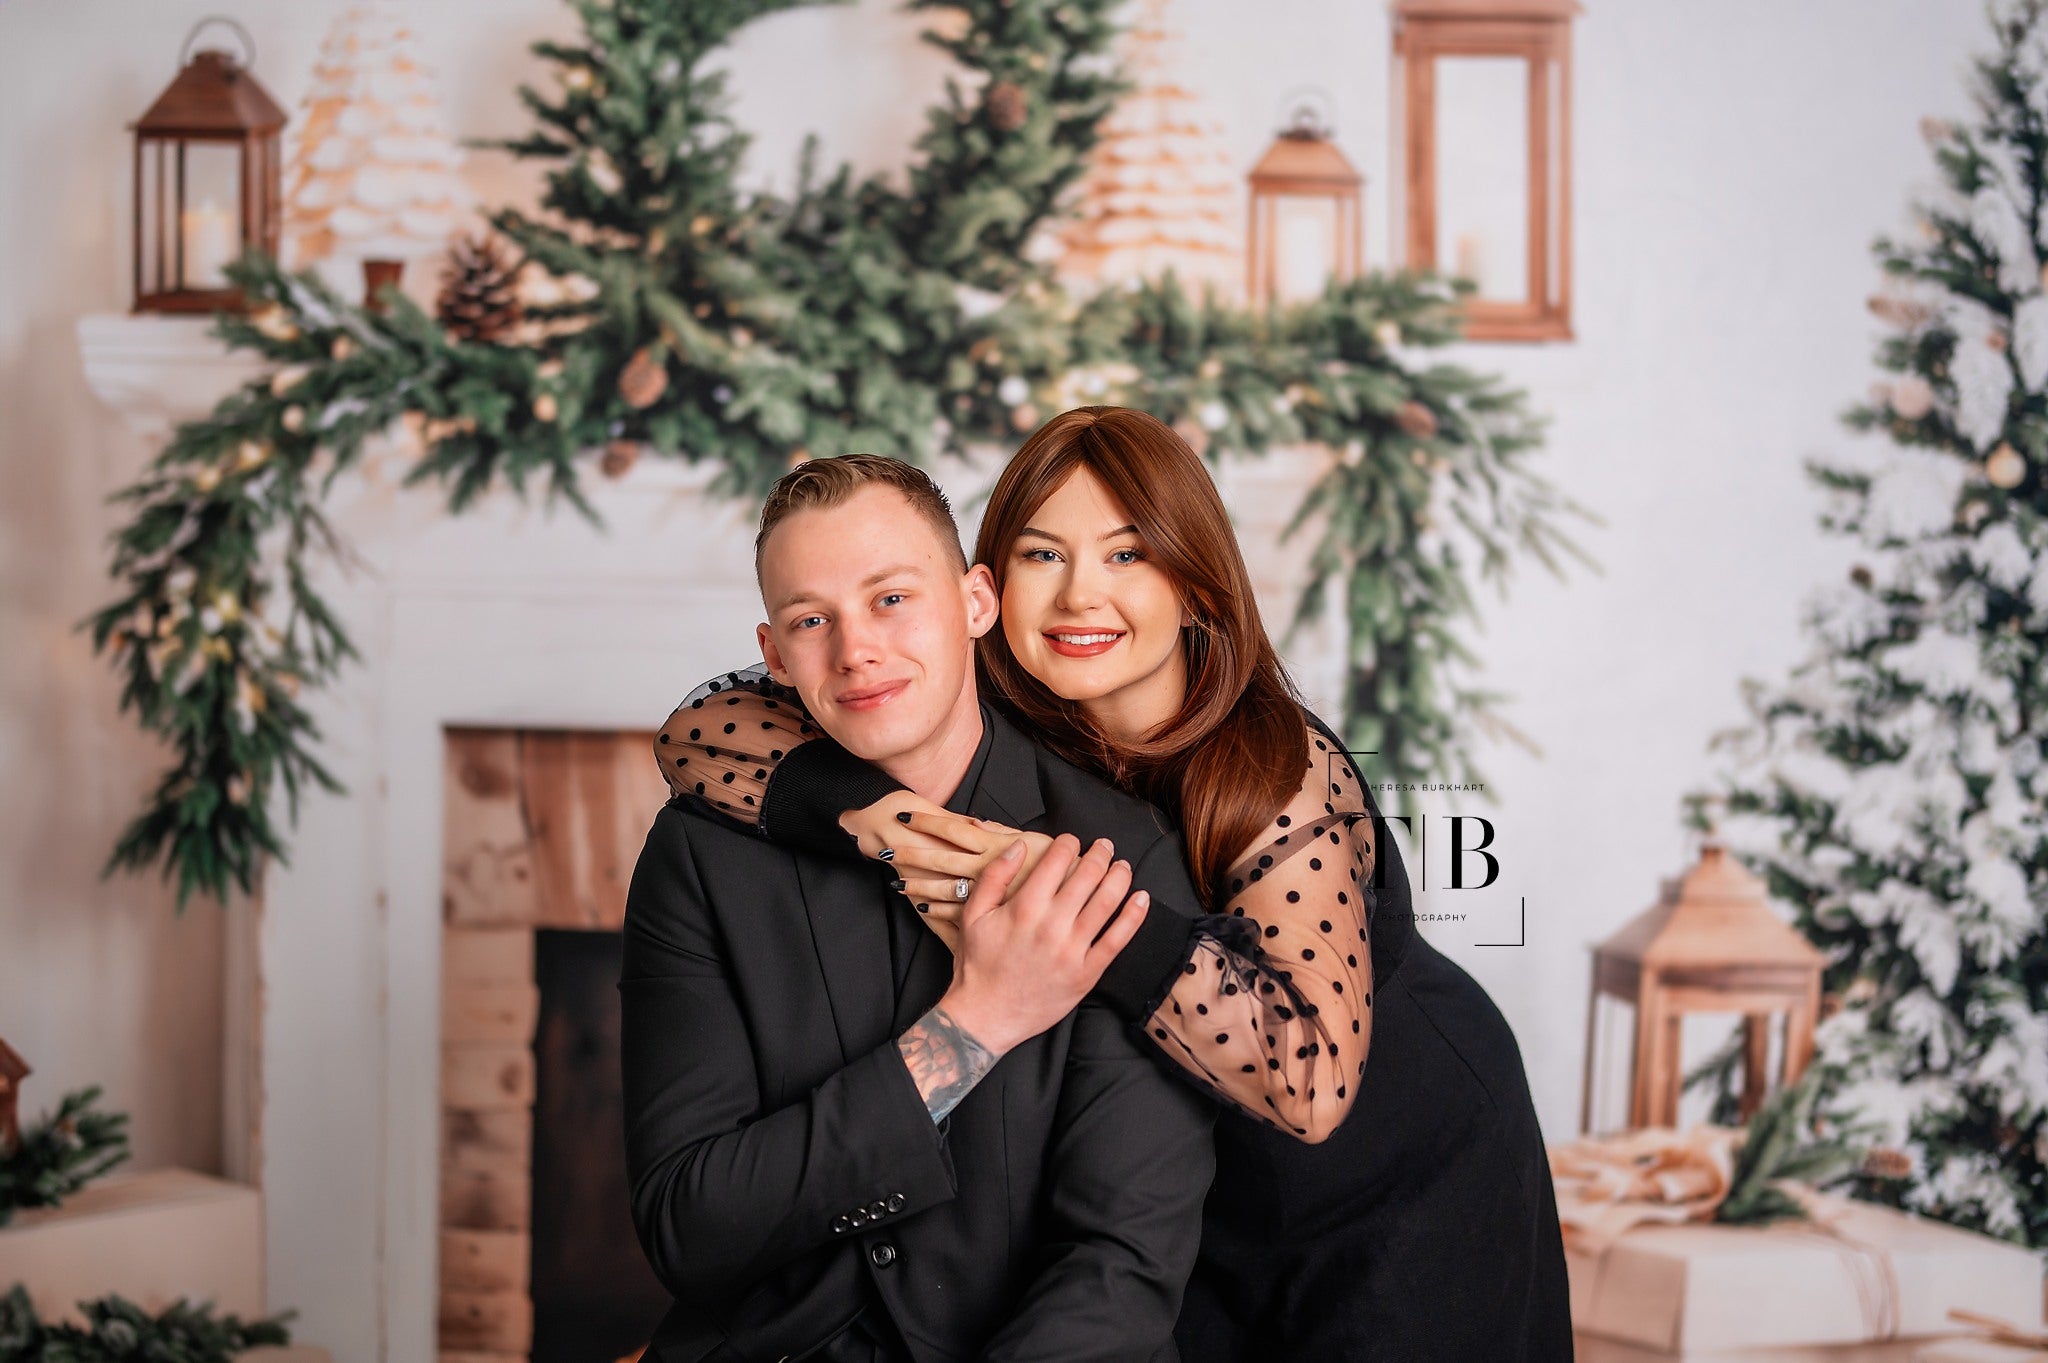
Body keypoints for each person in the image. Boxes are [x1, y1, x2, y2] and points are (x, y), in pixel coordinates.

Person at [658, 408, 1574, 1361]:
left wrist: (1055, 906)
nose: (1078, 596)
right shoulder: (1015, 702)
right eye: (1043, 555)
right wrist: (900, 830)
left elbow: (1309, 1079)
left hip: (1397, 1166)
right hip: (1205, 1187)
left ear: (1196, 585)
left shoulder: (1278, 770)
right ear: (988, 590)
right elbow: (699, 732)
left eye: (1128, 555)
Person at [620, 452, 1216, 1363]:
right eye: (811, 619)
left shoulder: (1120, 854)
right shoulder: (700, 854)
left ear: (976, 602)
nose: (855, 648)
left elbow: (1121, 1264)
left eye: (892, 597)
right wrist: (976, 1025)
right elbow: (688, 1224)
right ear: (774, 654)